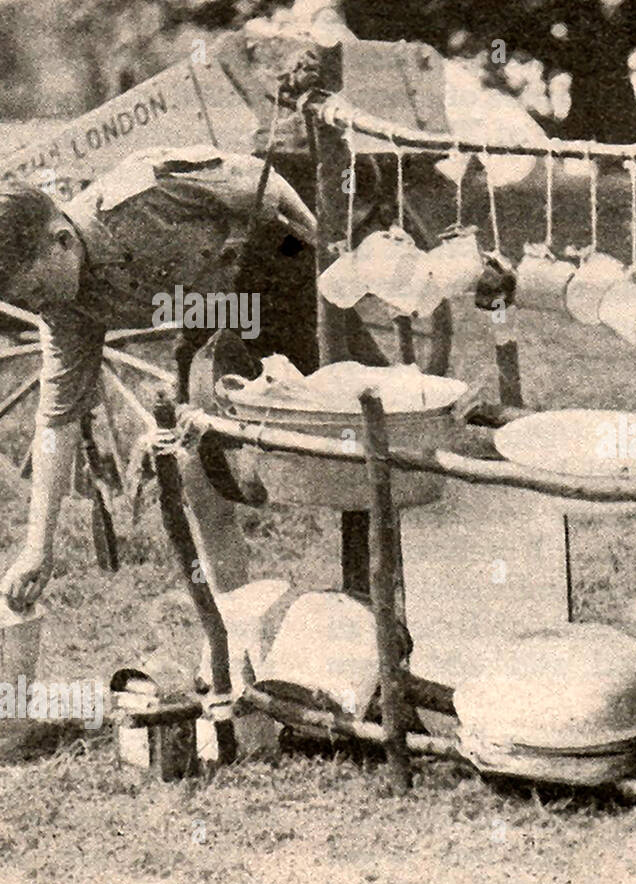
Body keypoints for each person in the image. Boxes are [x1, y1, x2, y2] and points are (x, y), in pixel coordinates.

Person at [0, 145, 388, 609]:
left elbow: (264, 181)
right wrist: (36, 549)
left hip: (281, 278)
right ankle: (235, 621)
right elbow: (56, 421)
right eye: (27, 302)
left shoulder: (145, 193)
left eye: (38, 290)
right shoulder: (65, 310)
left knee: (367, 430)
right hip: (211, 313)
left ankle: (380, 598)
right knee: (195, 469)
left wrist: (328, 259)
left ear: (61, 239)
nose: (39, 307)